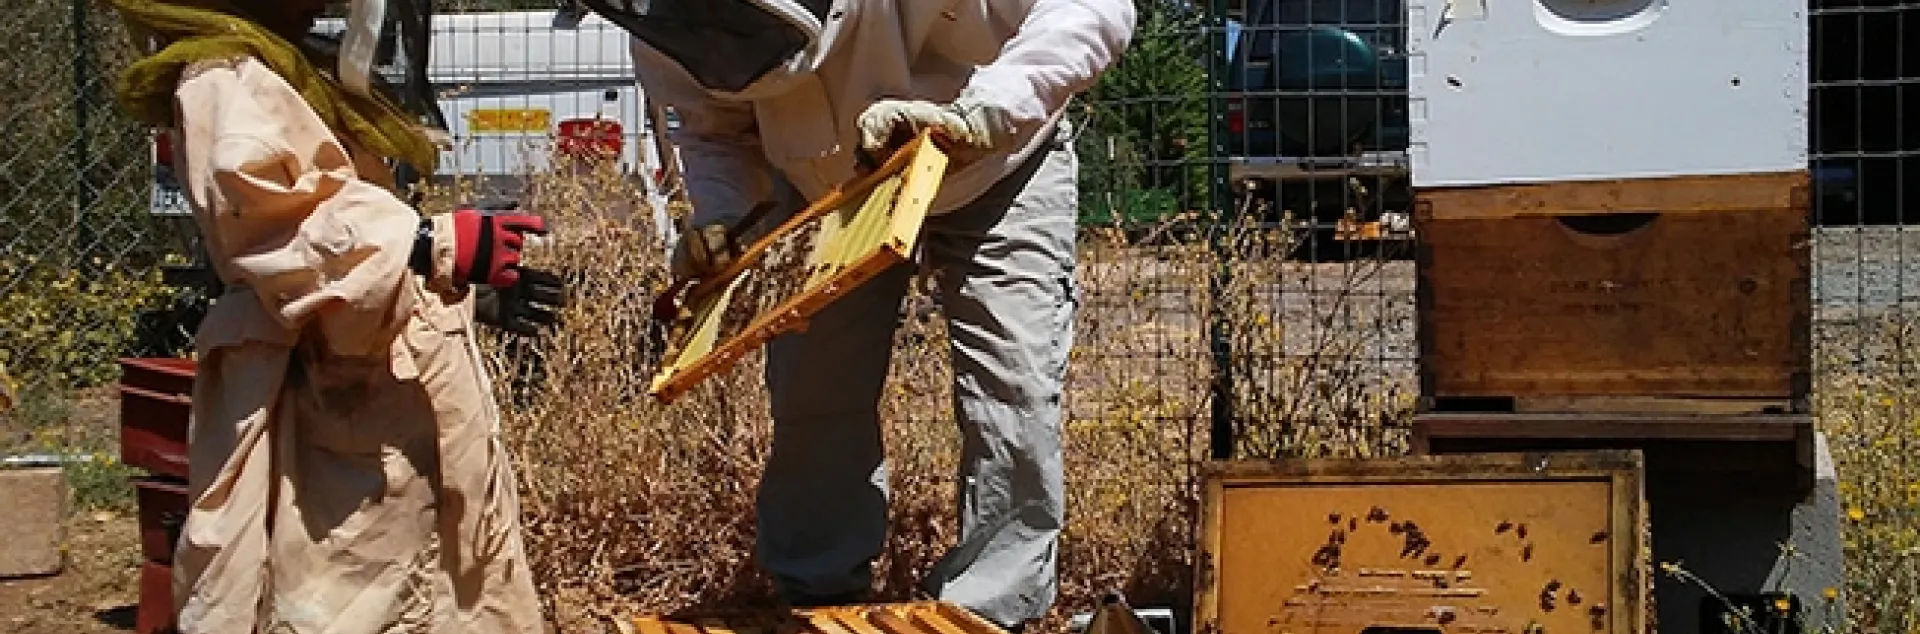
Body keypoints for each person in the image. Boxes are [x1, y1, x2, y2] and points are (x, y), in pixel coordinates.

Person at [577, 1, 1137, 631]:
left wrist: (987, 112)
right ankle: (813, 594)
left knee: (1015, 379)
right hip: (820, 180)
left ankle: (990, 610)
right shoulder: (668, 19)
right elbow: (713, 129)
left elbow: (1093, 8)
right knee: (815, 387)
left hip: (997, 159)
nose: (729, 41)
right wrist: (722, 212)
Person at [103, 0, 563, 632]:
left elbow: (339, 220)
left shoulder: (280, 71)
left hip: (367, 386)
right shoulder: (222, 78)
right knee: (333, 588)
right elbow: (276, 224)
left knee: (418, 575)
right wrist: (429, 245)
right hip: (308, 396)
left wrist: (456, 283)